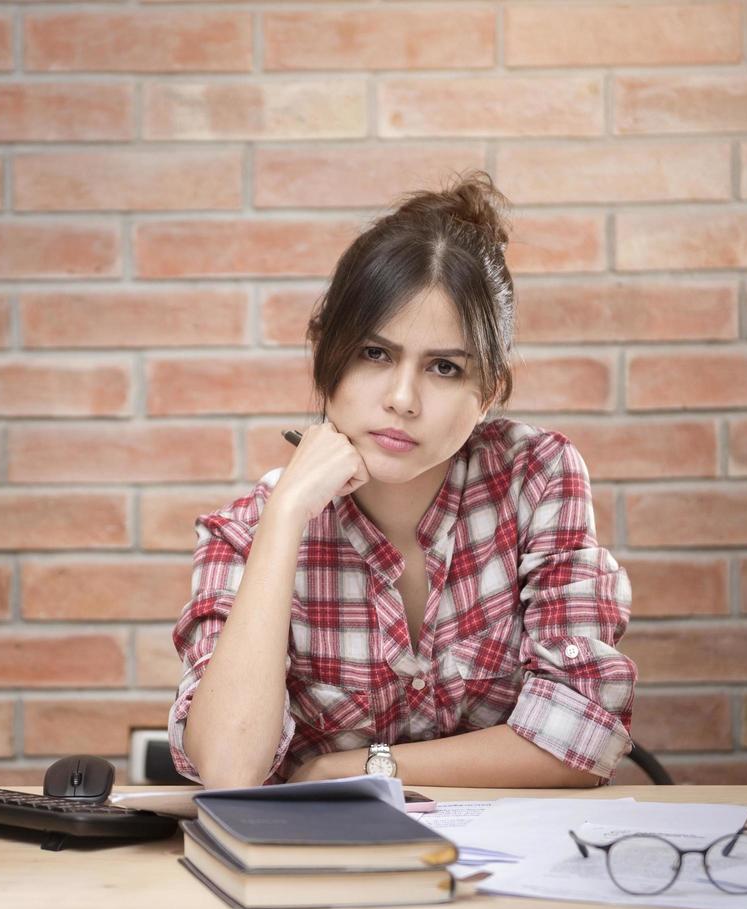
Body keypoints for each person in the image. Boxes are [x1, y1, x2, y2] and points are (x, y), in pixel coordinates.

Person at [168, 171, 636, 791]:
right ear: (323, 353)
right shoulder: (248, 529)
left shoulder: (535, 478)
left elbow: (586, 734)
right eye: (374, 354)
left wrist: (354, 768)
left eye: (444, 367)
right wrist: (283, 520)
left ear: (489, 390)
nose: (402, 399)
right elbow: (230, 771)